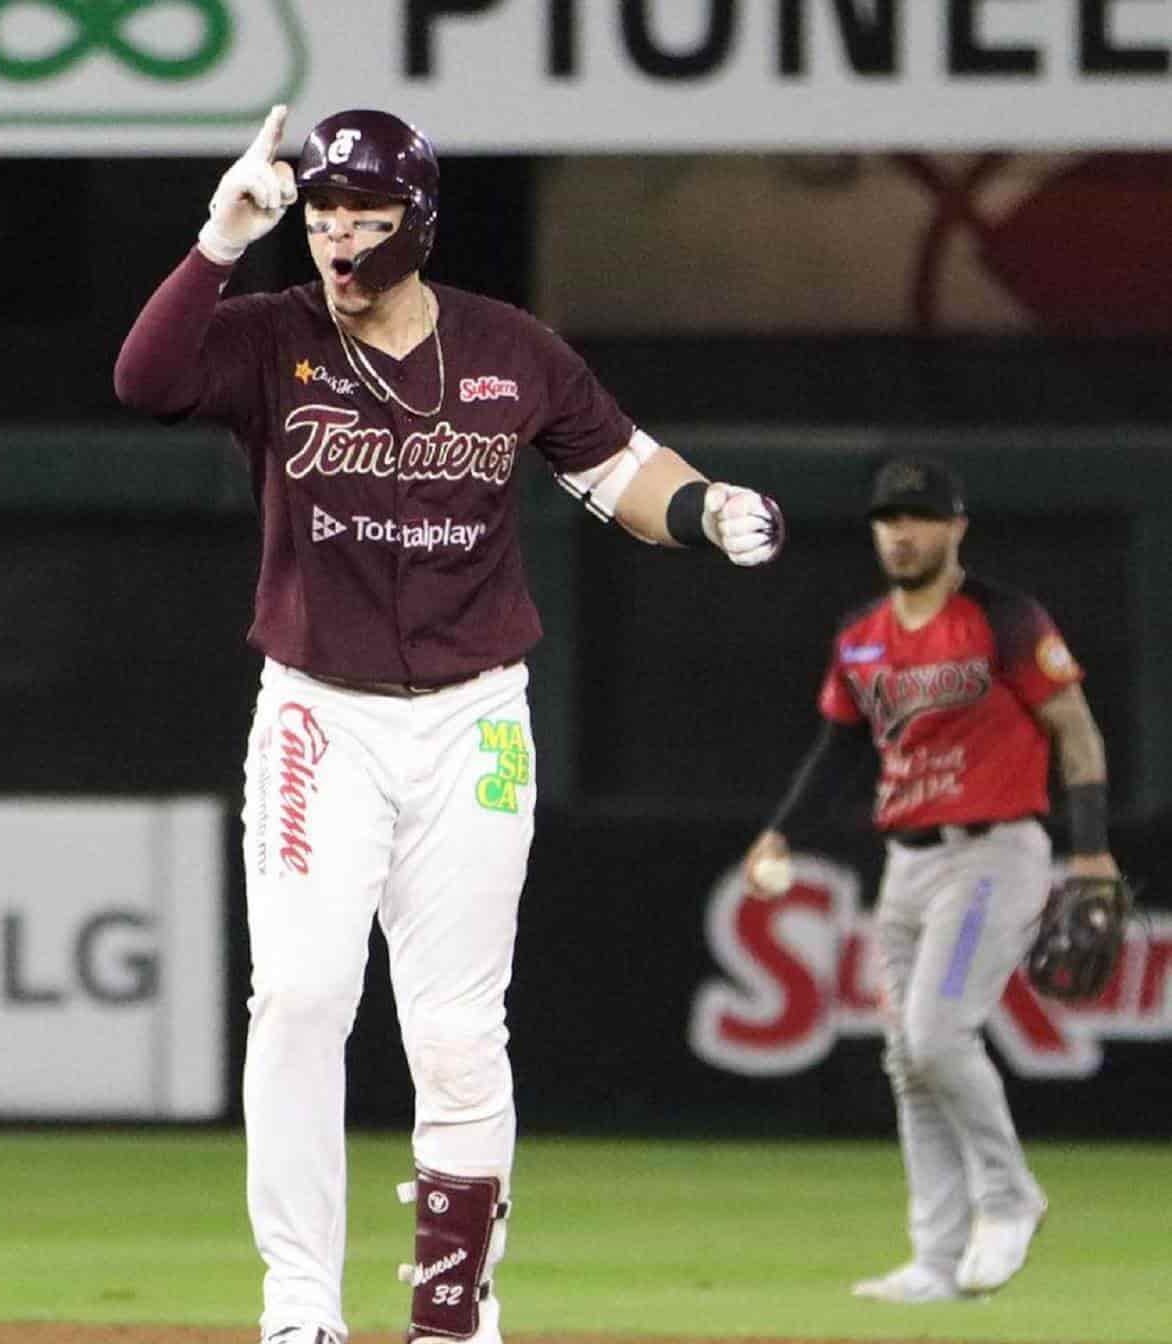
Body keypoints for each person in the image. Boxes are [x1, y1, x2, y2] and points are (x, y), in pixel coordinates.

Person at [114, 104, 784, 1344]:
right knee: (301, 997)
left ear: (418, 222)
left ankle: (453, 1312)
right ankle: (300, 1305)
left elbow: (621, 469)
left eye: (365, 218)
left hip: (476, 717)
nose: (338, 241)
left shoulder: (507, 350)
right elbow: (145, 381)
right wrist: (220, 241)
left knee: (459, 1029)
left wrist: (707, 509)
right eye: (323, 216)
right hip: (321, 714)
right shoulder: (275, 336)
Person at [742, 456, 1119, 1303]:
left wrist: (1092, 848)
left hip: (992, 853)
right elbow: (840, 747)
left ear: (956, 528)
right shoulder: (861, 634)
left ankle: (1009, 1199)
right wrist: (779, 834)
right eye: (888, 519)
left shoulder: (1003, 617)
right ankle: (936, 1258)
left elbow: (1077, 729)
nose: (901, 533)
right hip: (907, 864)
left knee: (938, 1034)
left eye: (918, 517)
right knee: (908, 1059)